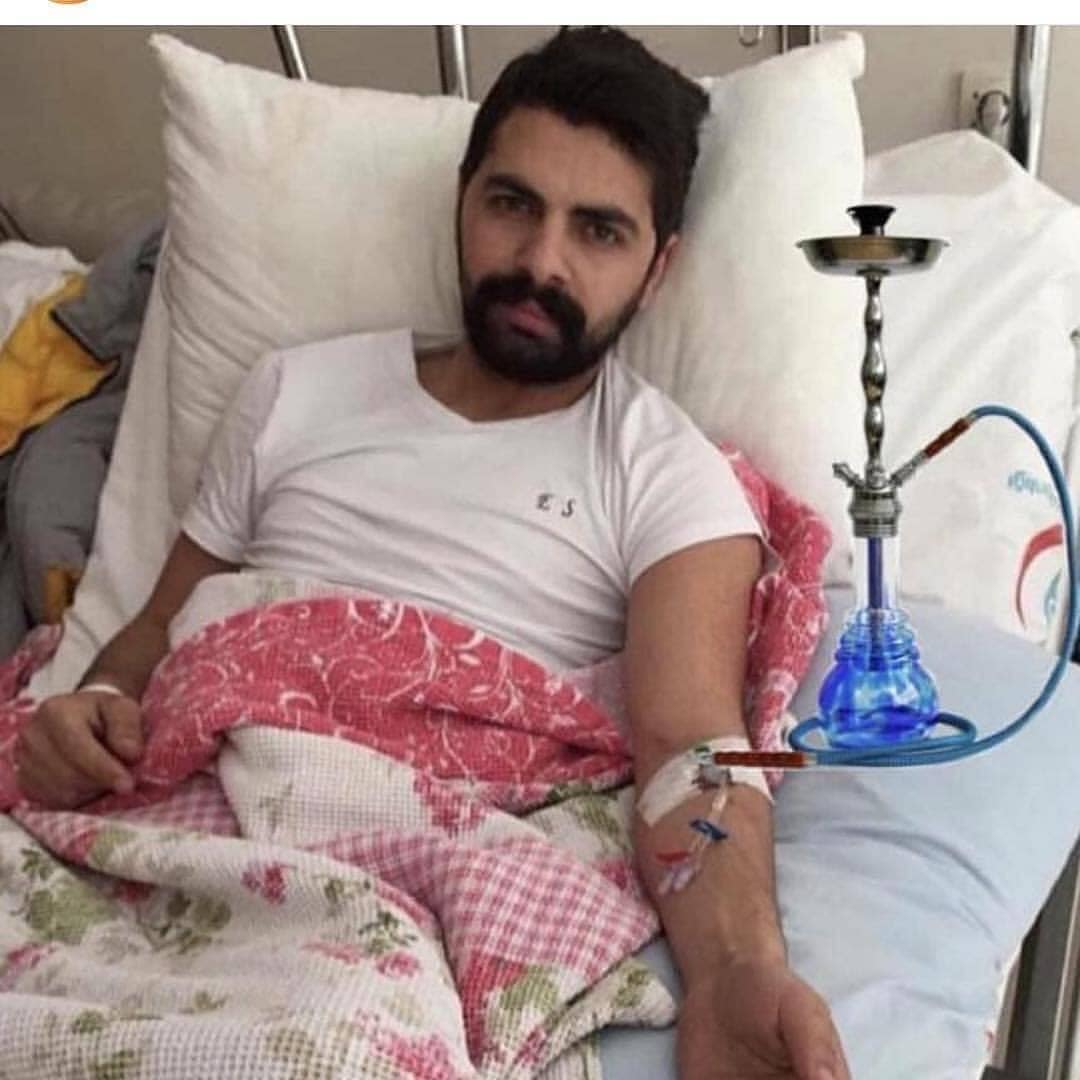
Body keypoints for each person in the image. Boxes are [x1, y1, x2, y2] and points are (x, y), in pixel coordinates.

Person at [13, 27, 850, 1080]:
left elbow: (691, 750)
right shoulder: (294, 392)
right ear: (463, 201)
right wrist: (91, 707)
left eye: (598, 230)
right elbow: (157, 629)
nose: (541, 262)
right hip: (169, 822)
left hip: (376, 898)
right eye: (513, 204)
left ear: (658, 270)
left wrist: (736, 971)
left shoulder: (665, 473)